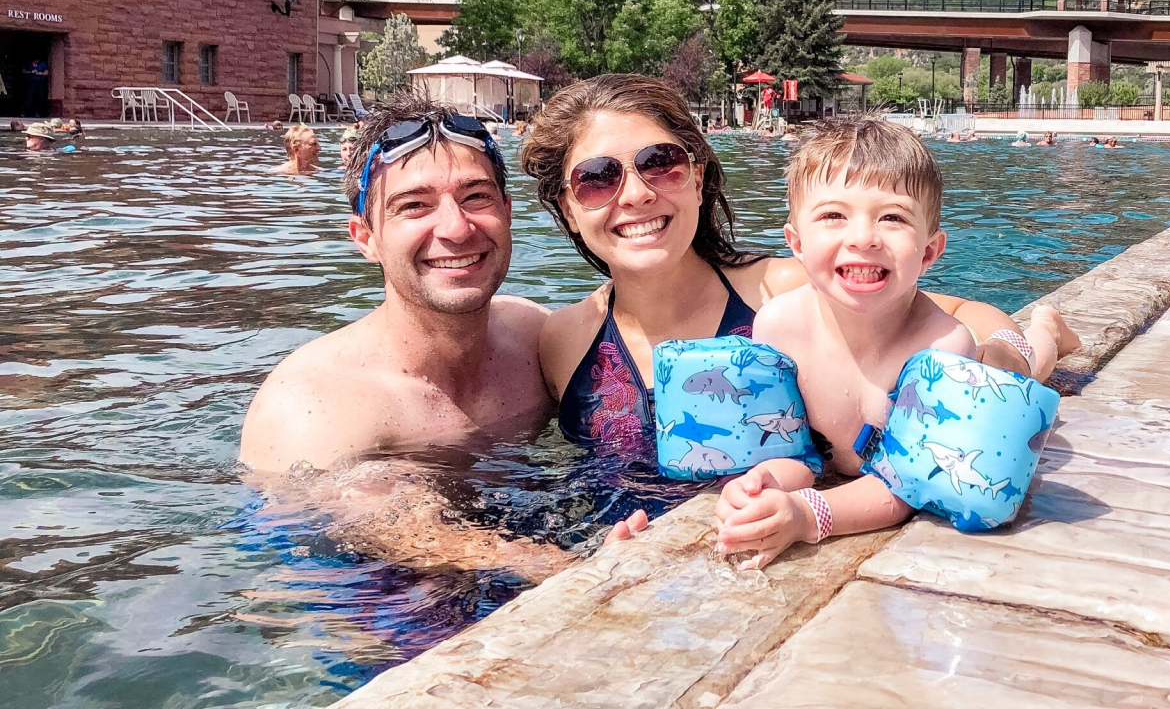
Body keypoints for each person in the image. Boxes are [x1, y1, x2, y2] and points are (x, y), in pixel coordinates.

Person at [520, 75, 1076, 459]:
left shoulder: (781, 290)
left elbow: (967, 315)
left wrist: (1006, 362)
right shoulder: (564, 340)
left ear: (698, 177)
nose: (637, 194)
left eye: (660, 164)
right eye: (597, 177)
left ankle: (1047, 331)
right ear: (568, 209)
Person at [240, 94, 645, 579]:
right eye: (414, 206)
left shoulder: (535, 335)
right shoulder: (311, 405)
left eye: (476, 197)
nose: (455, 227)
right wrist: (570, 569)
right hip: (373, 597)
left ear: (508, 212)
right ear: (365, 237)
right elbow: (357, 538)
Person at [713, 118, 990, 568]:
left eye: (893, 217)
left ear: (929, 253)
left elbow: (912, 484)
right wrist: (762, 483)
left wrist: (808, 515)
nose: (862, 238)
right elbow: (799, 452)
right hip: (839, 462)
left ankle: (1044, 334)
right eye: (833, 216)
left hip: (976, 375)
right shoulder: (779, 327)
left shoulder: (944, 349)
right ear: (797, 245)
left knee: (1019, 364)